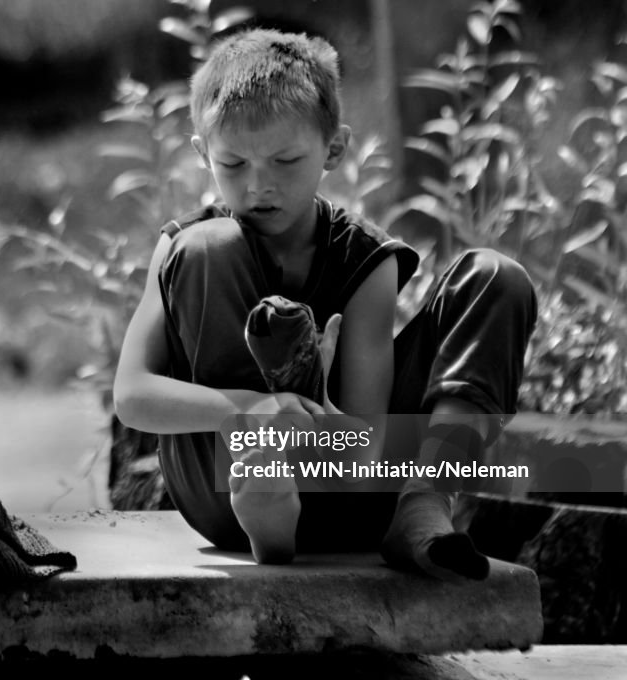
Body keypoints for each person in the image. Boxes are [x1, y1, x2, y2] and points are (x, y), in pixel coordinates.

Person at [111, 28, 537, 580]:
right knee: (209, 246)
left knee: (496, 278)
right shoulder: (184, 244)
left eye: (285, 160)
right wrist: (249, 412)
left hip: (346, 476)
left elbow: (363, 446)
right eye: (233, 165)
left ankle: (424, 505)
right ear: (202, 154)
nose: (259, 187)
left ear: (334, 148)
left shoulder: (367, 260)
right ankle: (266, 509)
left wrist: (318, 413)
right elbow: (132, 395)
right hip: (222, 480)